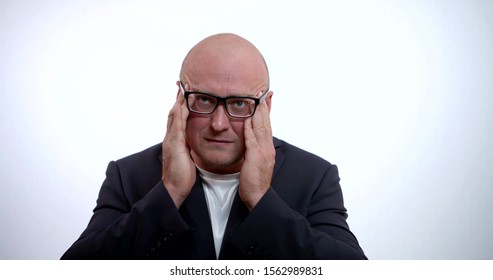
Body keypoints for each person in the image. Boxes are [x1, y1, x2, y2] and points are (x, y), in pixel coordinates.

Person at [61, 33, 366, 260]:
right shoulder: (128, 174)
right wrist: (169, 192)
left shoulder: (314, 176)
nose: (219, 124)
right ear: (181, 98)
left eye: (238, 103)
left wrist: (261, 199)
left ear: (266, 106)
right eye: (204, 100)